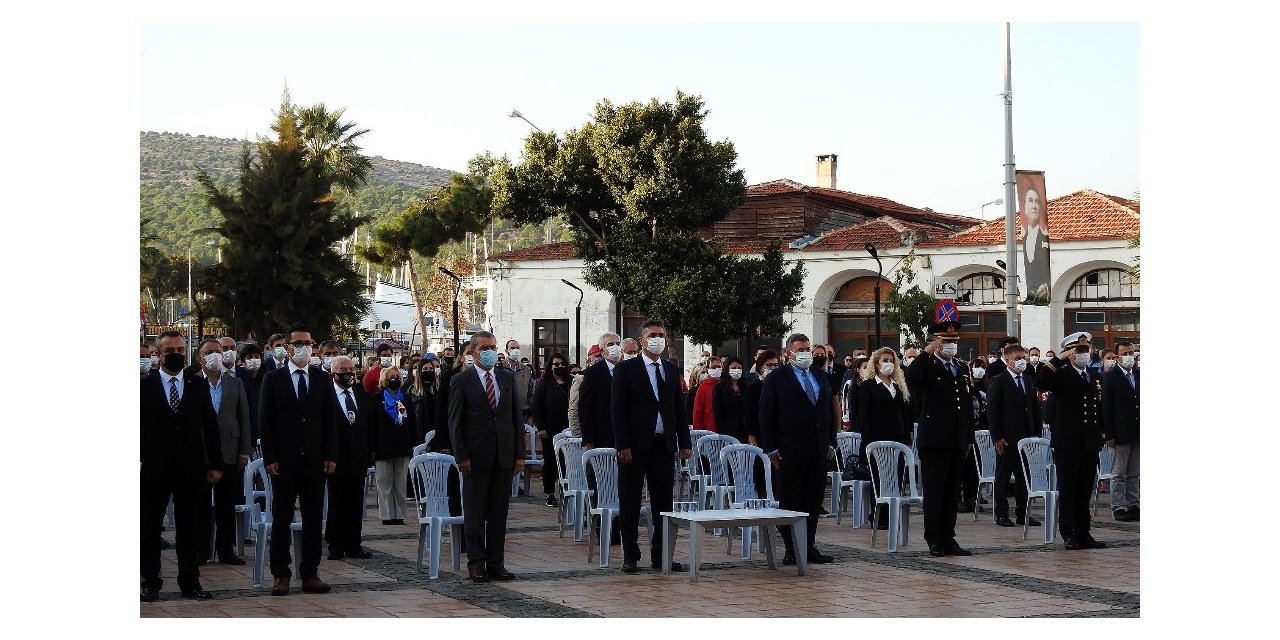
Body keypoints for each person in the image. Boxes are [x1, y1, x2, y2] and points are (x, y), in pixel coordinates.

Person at [141, 331, 223, 602]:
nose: (176, 353)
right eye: (170, 350)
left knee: (189, 527)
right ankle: (151, 581)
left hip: (191, 467)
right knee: (149, 527)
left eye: (180, 349)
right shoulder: (144, 386)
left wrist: (214, 463)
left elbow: (210, 426)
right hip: (154, 467)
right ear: (159, 354)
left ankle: (190, 582)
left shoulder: (196, 385)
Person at [257, 323, 338, 596]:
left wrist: (330, 454)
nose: (304, 348)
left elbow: (330, 420)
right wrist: (270, 456)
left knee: (314, 519)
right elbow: (265, 422)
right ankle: (281, 574)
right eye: (298, 343)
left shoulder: (322, 378)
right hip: (284, 460)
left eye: (308, 343)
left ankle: (310, 573)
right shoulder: (274, 379)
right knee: (281, 518)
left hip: (314, 459)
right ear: (288, 346)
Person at [610, 319, 692, 573]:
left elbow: (678, 408)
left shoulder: (670, 368)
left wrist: (684, 442)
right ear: (642, 340)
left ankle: (662, 554)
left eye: (662, 335)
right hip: (633, 446)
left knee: (663, 503)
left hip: (662, 446)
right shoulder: (627, 369)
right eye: (653, 335)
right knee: (630, 502)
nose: (658, 340)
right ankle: (630, 555)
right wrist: (622, 444)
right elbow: (618, 409)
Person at [448, 331, 525, 582]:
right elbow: (455, 422)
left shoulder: (505, 378)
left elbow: (516, 418)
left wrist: (519, 455)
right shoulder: (462, 380)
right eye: (484, 348)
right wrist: (462, 455)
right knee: (474, 512)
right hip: (475, 456)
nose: (490, 351)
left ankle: (496, 563)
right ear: (473, 352)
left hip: (503, 455)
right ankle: (476, 563)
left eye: (493, 347)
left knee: (498, 513)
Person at [759, 333, 837, 565]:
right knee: (791, 500)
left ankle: (808, 545)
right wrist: (771, 448)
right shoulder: (777, 378)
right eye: (800, 350)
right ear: (788, 353)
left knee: (812, 500)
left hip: (818, 448)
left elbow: (827, 411)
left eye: (807, 349)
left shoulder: (819, 376)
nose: (805, 354)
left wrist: (831, 440)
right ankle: (792, 548)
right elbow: (766, 414)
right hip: (789, 449)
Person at [905, 321, 975, 557]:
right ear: (936, 342)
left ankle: (949, 536)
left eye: (954, 341)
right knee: (935, 491)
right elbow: (910, 377)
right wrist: (925, 352)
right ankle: (934, 538)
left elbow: (967, 407)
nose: (951, 345)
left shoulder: (961, 368)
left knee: (952, 491)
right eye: (946, 341)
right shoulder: (928, 366)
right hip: (934, 439)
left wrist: (968, 438)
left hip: (956, 439)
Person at [1035, 332, 1106, 551]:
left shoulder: (1094, 376)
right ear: (1071, 353)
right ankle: (1068, 533)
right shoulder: (1062, 374)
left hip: (1089, 442)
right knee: (1069, 489)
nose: (1084, 354)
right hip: (1067, 442)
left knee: (1085, 489)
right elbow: (1041, 381)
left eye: (1086, 350)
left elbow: (1098, 409)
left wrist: (1101, 434)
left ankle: (1084, 532)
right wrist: (1059, 358)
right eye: (1079, 351)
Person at [192, 339, 253, 566]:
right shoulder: (193, 382)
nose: (215, 356)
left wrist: (244, 451)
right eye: (210, 353)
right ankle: (202, 549)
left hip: (229, 449)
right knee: (201, 504)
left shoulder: (234, 383)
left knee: (226, 503)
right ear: (201, 358)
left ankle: (226, 549)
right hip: (202, 451)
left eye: (218, 352)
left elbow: (244, 418)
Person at [857, 347, 914, 530]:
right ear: (876, 363)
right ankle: (878, 515)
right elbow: (864, 416)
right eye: (884, 360)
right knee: (878, 478)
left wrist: (907, 435)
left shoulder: (897, 385)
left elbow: (904, 413)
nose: (888, 364)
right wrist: (868, 440)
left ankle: (892, 515)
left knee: (895, 477)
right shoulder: (867, 386)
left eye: (891, 360)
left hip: (897, 438)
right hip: (877, 438)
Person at [986, 344, 1041, 527]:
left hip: (1026, 438)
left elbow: (1034, 409)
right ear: (1008, 360)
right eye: (1017, 358)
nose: (1021, 361)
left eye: (1023, 358)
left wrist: (1036, 436)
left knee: (1024, 477)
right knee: (1003, 476)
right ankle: (1001, 513)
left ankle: (1023, 512)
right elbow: (992, 411)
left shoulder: (1028, 380)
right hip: (1007, 438)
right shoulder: (998, 380)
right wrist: (997, 436)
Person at [325, 356, 374, 560]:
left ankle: (354, 543)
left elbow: (368, 426)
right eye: (342, 369)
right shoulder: (326, 396)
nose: (347, 373)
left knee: (355, 503)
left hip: (357, 457)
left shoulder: (361, 396)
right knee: (337, 502)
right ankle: (335, 544)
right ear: (333, 373)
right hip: (335, 459)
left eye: (351, 369)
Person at [371, 366, 417, 525]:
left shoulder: (406, 398)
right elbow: (371, 425)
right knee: (384, 483)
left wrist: (413, 443)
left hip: (402, 445)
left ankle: (399, 515)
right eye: (392, 376)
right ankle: (386, 515)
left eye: (397, 376)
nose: (395, 379)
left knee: (400, 483)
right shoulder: (376, 399)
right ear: (385, 379)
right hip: (382, 446)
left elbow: (412, 422)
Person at [1102, 341, 1140, 522]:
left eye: (1131, 353)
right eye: (1125, 353)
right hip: (1120, 431)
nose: (1129, 357)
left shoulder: (1139, 374)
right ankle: (1118, 506)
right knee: (1118, 472)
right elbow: (1107, 406)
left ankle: (1134, 504)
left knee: (1134, 471)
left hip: (1138, 430)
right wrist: (1109, 433)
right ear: (1117, 356)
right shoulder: (1111, 376)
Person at [531, 352, 572, 507]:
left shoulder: (571, 382)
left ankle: (566, 490)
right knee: (550, 461)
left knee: (567, 461)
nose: (559, 366)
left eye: (562, 364)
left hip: (568, 428)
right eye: (556, 364)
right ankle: (549, 493)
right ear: (550, 366)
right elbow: (537, 406)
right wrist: (540, 426)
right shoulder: (544, 383)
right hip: (549, 429)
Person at [960, 357, 990, 513]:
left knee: (973, 467)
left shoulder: (981, 388)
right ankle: (960, 498)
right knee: (963, 467)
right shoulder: (964, 389)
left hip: (977, 433)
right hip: (963, 433)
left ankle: (971, 497)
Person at [1021, 187, 1051, 300]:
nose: (1034, 206)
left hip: (1042, 300)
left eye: (1037, 201)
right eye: (1030, 200)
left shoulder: (1046, 238)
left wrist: (1047, 288)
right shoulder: (1022, 239)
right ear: (1024, 207)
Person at [568, 344, 603, 437]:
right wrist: (578, 436)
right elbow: (574, 409)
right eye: (597, 356)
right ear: (589, 359)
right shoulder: (581, 379)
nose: (600, 359)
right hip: (588, 434)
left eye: (602, 356)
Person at [712, 356, 748, 443]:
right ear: (727, 369)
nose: (737, 370)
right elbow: (717, 412)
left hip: (744, 431)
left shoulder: (746, 387)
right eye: (733, 368)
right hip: (727, 431)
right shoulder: (719, 388)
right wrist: (722, 434)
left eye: (739, 368)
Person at [504, 339, 536, 423]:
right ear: (507, 351)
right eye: (512, 348)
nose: (515, 350)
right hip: (504, 414)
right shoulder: (500, 368)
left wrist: (531, 415)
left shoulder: (526, 370)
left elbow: (531, 393)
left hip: (523, 414)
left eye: (517, 348)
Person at [409, 355, 439, 444]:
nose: (428, 371)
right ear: (420, 371)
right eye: (425, 369)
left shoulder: (438, 390)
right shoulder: (412, 391)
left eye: (431, 369)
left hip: (436, 434)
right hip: (419, 435)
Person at [691, 355, 722, 431]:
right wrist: (698, 431)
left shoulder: (726, 385)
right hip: (709, 431)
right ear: (708, 369)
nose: (717, 369)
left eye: (719, 367)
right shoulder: (704, 387)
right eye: (713, 367)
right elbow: (698, 411)